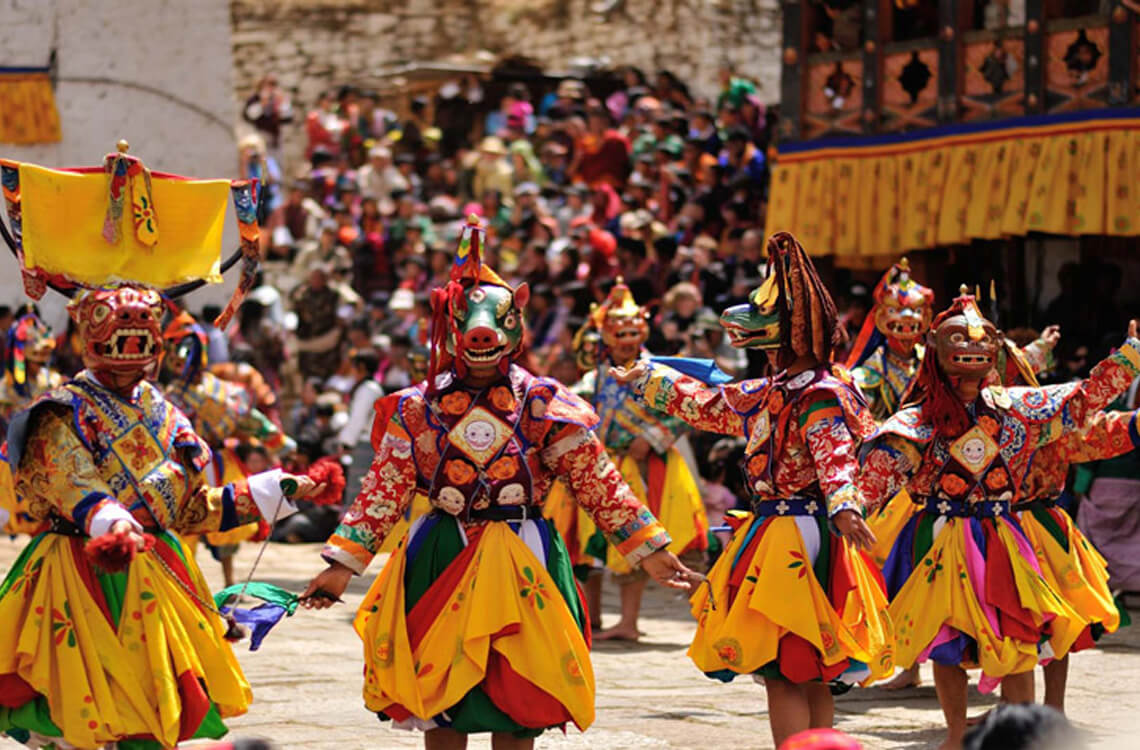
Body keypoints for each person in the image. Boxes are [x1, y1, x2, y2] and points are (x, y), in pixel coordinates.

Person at [301, 216, 695, 749]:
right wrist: (340, 567)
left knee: (519, 698)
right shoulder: (418, 408)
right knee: (441, 699)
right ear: (451, 327)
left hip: (524, 550)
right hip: (442, 549)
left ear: (516, 326)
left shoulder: (543, 402)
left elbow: (595, 477)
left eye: (495, 323)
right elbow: (383, 489)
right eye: (468, 323)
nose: (481, 335)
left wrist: (648, 548)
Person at [0, 286, 322, 749]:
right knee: (83, 705)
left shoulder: (164, 412)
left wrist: (268, 491)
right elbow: (70, 479)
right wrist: (107, 517)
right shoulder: (59, 411)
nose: (134, 352)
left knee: (150, 707)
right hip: (80, 565)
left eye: (142, 341)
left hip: (155, 569)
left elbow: (189, 509)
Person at [615, 232, 893, 747]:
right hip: (787, 525)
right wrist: (648, 378)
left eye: (767, 314)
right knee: (806, 660)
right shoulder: (772, 391)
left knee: (784, 664)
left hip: (799, 528)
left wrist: (846, 504)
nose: (745, 321)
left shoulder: (819, 394)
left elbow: (834, 454)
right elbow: (709, 403)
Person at [855, 288, 1140, 750]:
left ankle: (1021, 734)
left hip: (999, 536)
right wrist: (849, 513)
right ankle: (955, 733)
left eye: (979, 347)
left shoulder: (1016, 412)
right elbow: (876, 477)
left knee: (1017, 637)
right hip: (942, 536)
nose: (971, 355)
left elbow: (1083, 405)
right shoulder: (918, 422)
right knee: (945, 639)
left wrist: (1130, 358)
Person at [549, 280, 708, 640]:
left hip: (646, 467)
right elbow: (578, 404)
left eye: (632, 331)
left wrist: (650, 438)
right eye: (618, 331)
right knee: (589, 544)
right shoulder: (598, 375)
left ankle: (630, 621)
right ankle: (594, 617)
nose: (625, 338)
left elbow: (688, 411)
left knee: (639, 538)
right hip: (601, 462)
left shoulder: (658, 371)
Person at [160, 312, 293, 588]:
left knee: (226, 523)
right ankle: (184, 582)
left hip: (216, 461)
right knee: (184, 528)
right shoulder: (169, 394)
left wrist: (277, 441)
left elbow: (250, 419)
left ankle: (228, 582)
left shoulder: (220, 390)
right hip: (183, 463)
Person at [0, 309, 62, 536]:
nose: (39, 364)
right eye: (34, 358)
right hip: (11, 456)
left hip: (49, 454)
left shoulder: (53, 381)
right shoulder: (6, 387)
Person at [337, 348, 384, 503]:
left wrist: (346, 442)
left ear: (362, 367)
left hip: (365, 445)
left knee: (358, 491)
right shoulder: (369, 388)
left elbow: (358, 419)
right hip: (365, 442)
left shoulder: (368, 390)